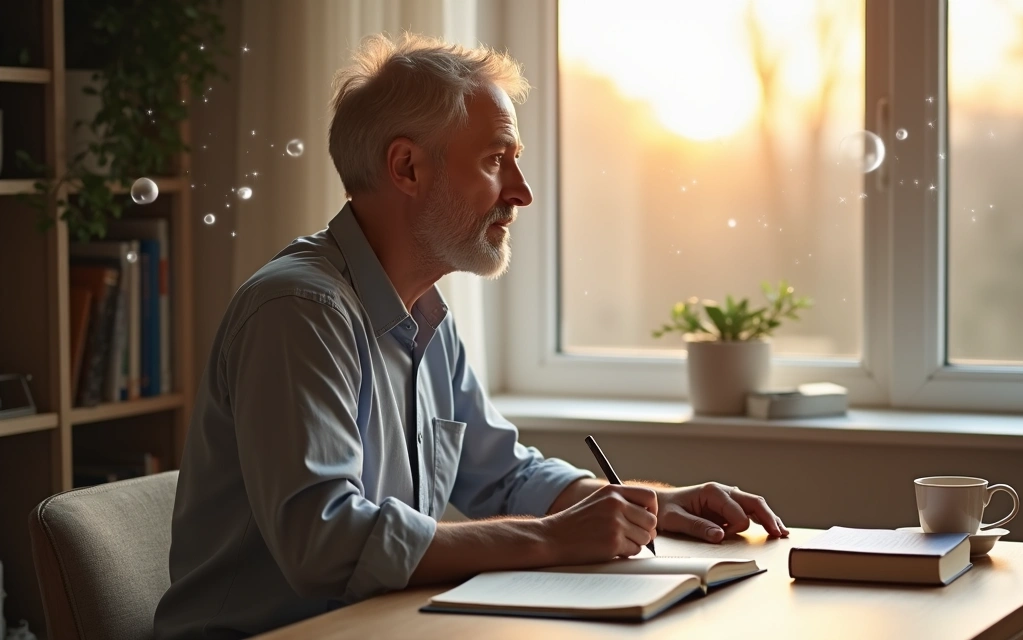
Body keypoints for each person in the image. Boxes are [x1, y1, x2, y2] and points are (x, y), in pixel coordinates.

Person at [153, 32, 788, 639]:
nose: (522, 192)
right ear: (406, 167)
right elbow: (326, 544)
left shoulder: (425, 314)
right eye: (495, 160)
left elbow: (506, 476)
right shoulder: (298, 311)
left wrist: (655, 502)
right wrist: (555, 539)